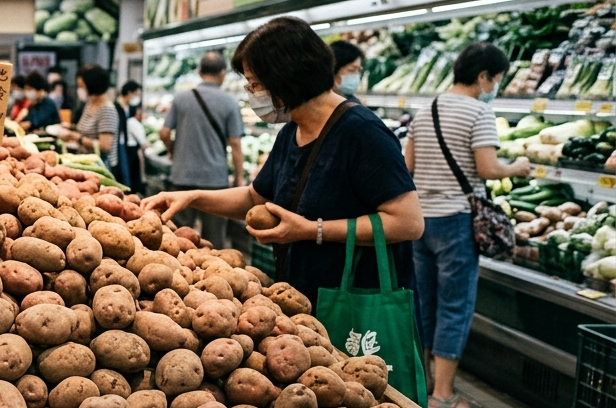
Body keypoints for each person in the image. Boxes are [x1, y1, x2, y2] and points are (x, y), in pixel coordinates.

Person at [145, 16, 424, 307]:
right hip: (303, 299)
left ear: (285, 80)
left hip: (355, 306)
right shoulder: (293, 131)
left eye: (255, 84)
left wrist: (311, 230)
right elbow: (256, 198)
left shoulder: (362, 133)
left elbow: (408, 222)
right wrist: (192, 197)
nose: (252, 94)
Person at [405, 42, 531, 408]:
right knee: (455, 306)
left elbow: (406, 164)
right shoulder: (479, 112)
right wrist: (517, 167)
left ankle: (422, 383)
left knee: (423, 301)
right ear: (483, 77)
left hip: (421, 220)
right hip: (457, 220)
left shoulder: (425, 108)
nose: (496, 87)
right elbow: (489, 168)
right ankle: (444, 395)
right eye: (497, 80)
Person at [158, 52, 245, 248]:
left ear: (199, 72)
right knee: (213, 240)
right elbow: (235, 143)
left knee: (177, 238)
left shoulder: (180, 98)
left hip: (182, 177)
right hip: (214, 182)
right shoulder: (230, 102)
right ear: (223, 74)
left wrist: (173, 151)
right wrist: (239, 177)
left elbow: (164, 133)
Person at [60, 66, 124, 184]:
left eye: (81, 85)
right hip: (85, 163)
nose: (79, 89)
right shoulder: (90, 104)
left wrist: (76, 138)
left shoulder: (107, 110)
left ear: (92, 85)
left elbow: (105, 145)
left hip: (99, 168)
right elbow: (86, 129)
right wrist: (70, 127)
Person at [119, 81, 145, 194]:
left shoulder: (128, 110)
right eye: (137, 94)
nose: (137, 97)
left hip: (125, 146)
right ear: (129, 93)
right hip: (120, 147)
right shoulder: (117, 108)